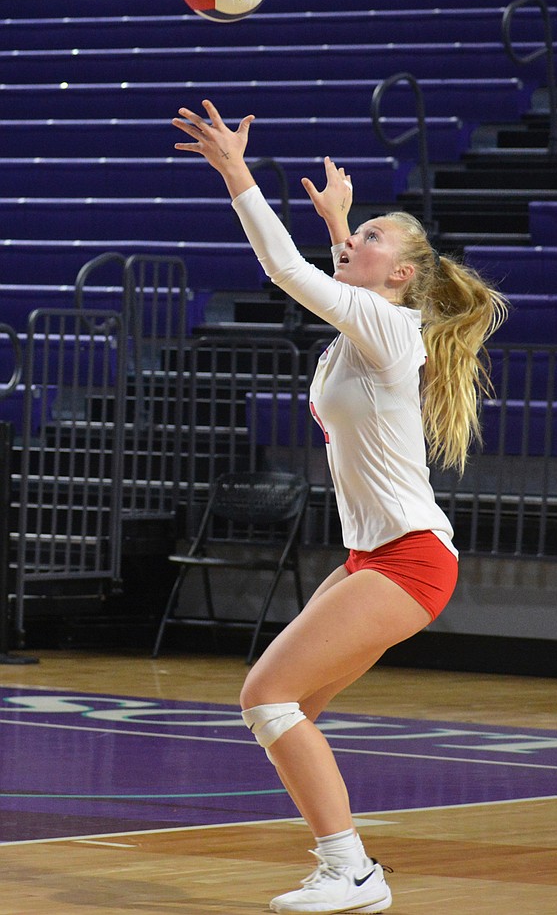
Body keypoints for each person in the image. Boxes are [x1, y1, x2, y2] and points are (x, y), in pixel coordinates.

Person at [172, 99, 507, 915]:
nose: (355, 247)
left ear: (400, 276)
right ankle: (343, 863)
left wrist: (237, 173)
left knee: (265, 696)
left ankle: (352, 869)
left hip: (411, 559)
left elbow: (292, 274)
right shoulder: (368, 325)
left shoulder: (391, 330)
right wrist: (342, 225)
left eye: (372, 242)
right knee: (292, 711)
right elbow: (334, 281)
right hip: (374, 559)